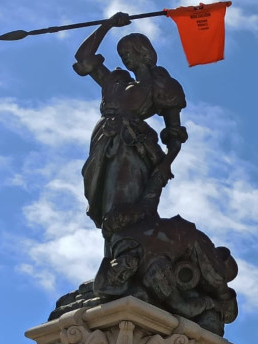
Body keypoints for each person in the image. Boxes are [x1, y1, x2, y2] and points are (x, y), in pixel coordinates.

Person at [73, 12, 190, 238]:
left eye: (128, 52)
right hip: (103, 145)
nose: (125, 58)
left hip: (132, 146)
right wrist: (107, 25)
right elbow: (84, 57)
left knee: (120, 205)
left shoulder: (163, 85)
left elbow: (174, 135)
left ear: (142, 51)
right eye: (121, 54)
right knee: (105, 204)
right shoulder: (116, 82)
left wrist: (165, 165)